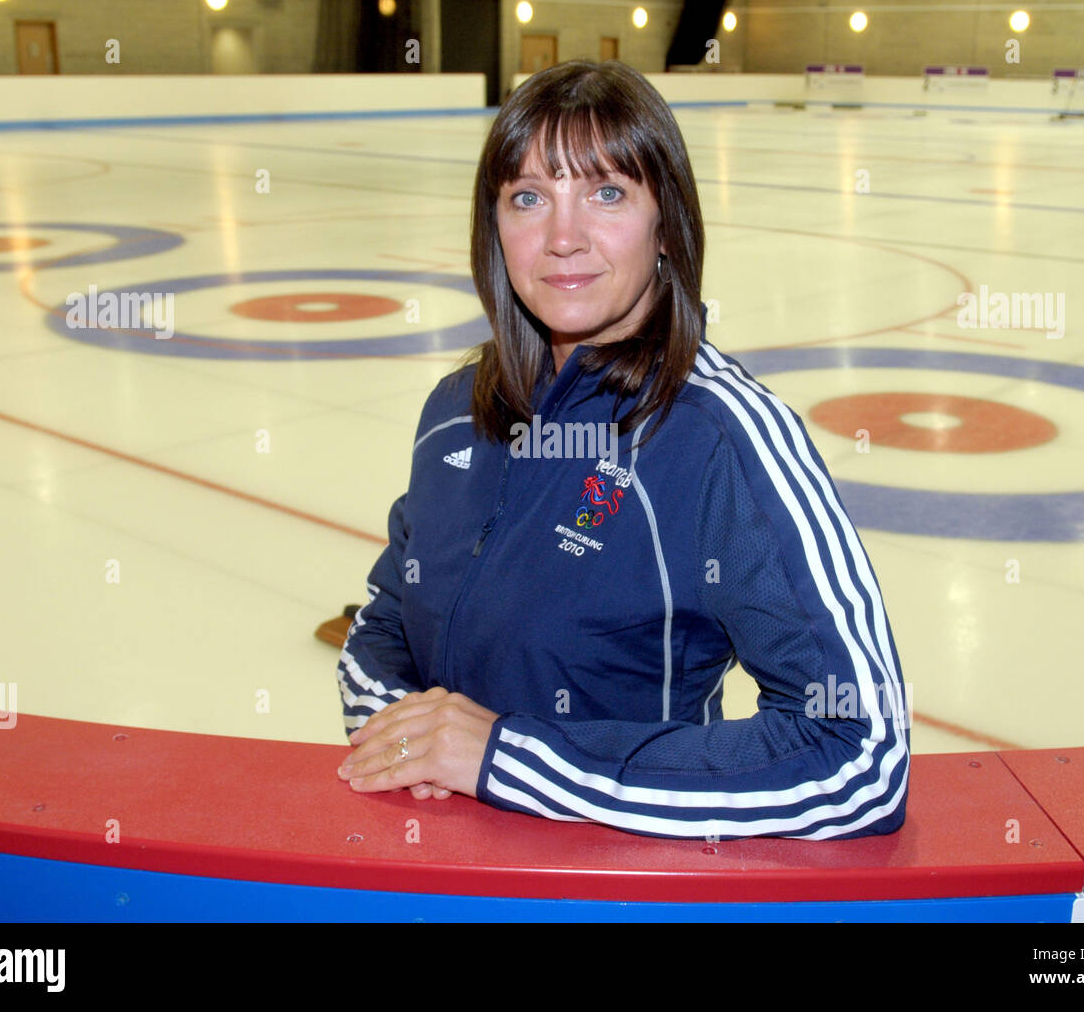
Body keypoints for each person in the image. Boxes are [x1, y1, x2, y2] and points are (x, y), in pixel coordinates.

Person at [335, 60, 909, 840]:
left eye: (607, 193)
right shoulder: (454, 410)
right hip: (441, 874)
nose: (563, 238)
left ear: (665, 222)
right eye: (529, 198)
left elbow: (861, 756)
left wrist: (508, 762)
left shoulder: (718, 438)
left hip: (620, 888)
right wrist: (407, 745)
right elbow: (385, 620)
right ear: (494, 226)